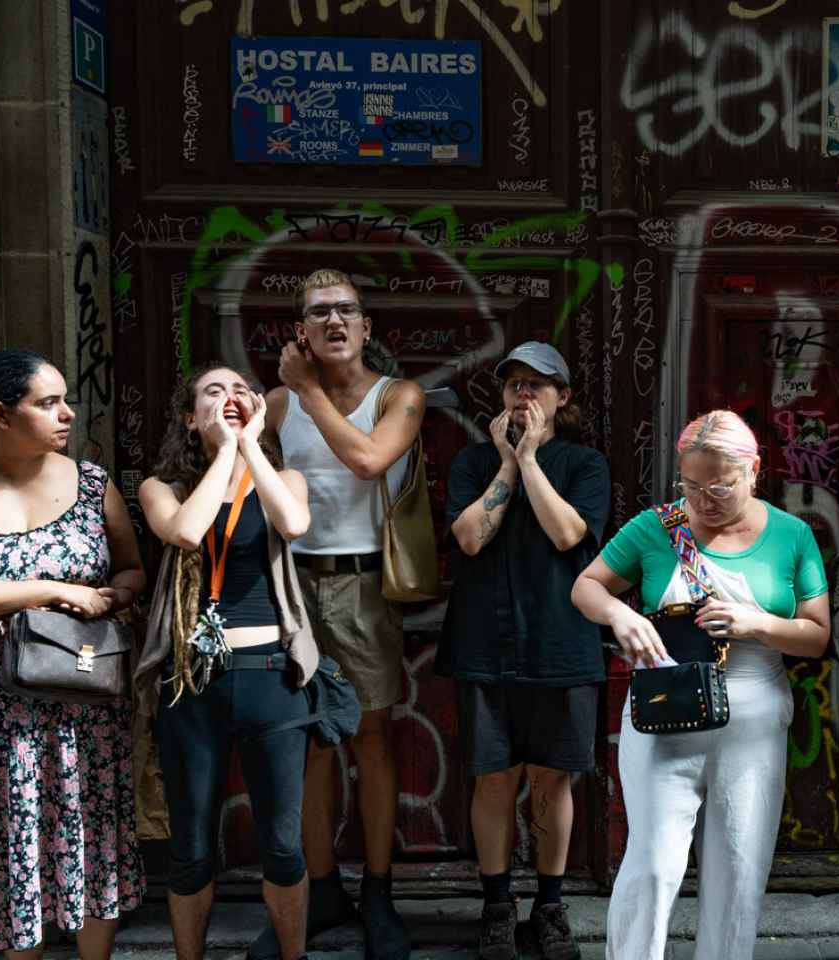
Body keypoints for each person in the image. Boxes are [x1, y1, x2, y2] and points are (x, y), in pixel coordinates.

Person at [0, 349, 147, 960]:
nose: (68, 413)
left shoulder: (92, 482)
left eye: (66, 398)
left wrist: (110, 597)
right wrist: (52, 589)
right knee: (10, 842)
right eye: (48, 403)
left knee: (90, 837)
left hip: (84, 695)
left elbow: (133, 569)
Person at [572, 409, 831, 960]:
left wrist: (753, 622)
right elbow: (587, 587)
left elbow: (816, 635)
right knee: (654, 866)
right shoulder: (654, 528)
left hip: (754, 715)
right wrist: (622, 616)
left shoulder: (792, 536)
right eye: (690, 485)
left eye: (719, 485)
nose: (703, 498)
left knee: (738, 870)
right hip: (666, 708)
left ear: (753, 470)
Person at [252, 268, 426, 960]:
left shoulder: (399, 397)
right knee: (308, 747)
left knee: (371, 740)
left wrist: (307, 392)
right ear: (301, 328)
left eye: (347, 311)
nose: (333, 321)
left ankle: (378, 893)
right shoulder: (274, 404)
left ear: (366, 328)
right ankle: (321, 891)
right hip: (290, 587)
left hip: (363, 587)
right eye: (319, 312)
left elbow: (365, 461)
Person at [136, 364, 315, 960]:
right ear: (190, 419)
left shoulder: (283, 478)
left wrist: (251, 449)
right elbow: (186, 533)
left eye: (241, 390)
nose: (231, 397)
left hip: (270, 675)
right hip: (192, 682)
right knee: (190, 849)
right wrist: (224, 454)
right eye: (214, 391)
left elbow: (293, 523)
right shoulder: (161, 487)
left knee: (284, 846)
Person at [437, 342, 610, 960]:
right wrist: (508, 464)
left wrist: (532, 460)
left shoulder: (584, 464)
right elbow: (468, 539)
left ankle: (552, 906)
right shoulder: (474, 462)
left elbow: (569, 534)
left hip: (563, 645)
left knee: (552, 780)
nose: (523, 396)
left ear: (563, 398)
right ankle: (496, 906)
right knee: (493, 779)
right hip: (486, 644)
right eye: (513, 385)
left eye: (537, 385)